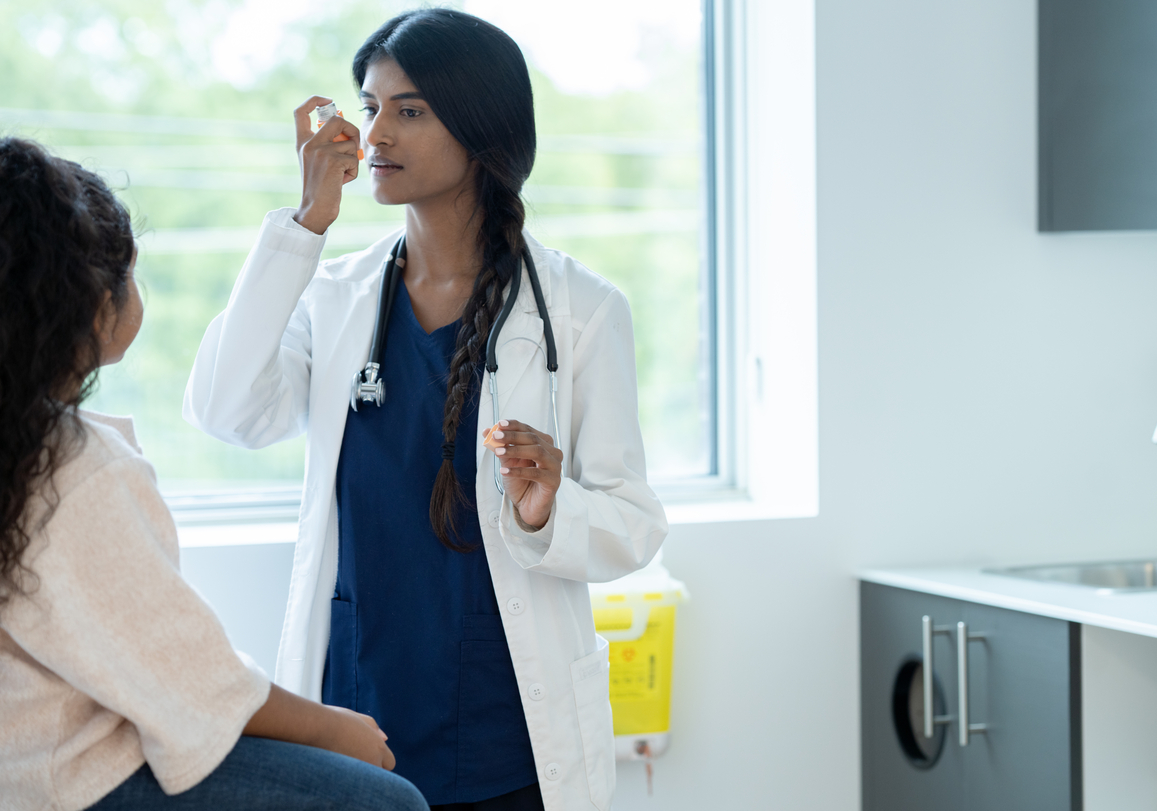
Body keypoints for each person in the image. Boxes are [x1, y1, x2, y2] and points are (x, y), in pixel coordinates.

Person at [183, 9, 669, 811]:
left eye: (409, 111)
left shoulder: (580, 311)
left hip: (504, 732)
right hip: (355, 714)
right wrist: (304, 229)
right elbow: (227, 410)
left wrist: (552, 508)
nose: (376, 133)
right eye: (369, 107)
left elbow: (634, 523)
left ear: (482, 129)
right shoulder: (335, 296)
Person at [0, 137, 429, 811]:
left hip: (19, 764)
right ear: (91, 300)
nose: (379, 133)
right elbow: (194, 683)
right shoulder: (69, 467)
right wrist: (336, 728)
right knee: (387, 802)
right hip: (73, 779)